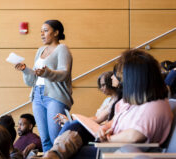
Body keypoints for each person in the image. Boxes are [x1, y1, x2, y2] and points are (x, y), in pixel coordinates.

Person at [36, 49, 173, 159]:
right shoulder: (133, 102)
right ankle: (53, 155)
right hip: (112, 145)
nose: (121, 81)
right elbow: (114, 121)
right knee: (76, 126)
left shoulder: (155, 106)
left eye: (122, 76)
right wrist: (104, 128)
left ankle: (52, 155)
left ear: (135, 79)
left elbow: (134, 136)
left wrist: (108, 139)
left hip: (121, 151)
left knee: (73, 151)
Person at [15, 20, 73, 152]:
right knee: (45, 140)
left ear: (56, 32)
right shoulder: (40, 50)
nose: (42, 34)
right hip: (37, 96)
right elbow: (33, 79)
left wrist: (46, 72)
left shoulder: (62, 49)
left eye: (45, 30)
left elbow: (64, 73)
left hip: (54, 97)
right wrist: (25, 69)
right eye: (41, 31)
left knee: (56, 138)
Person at [54, 71, 121, 125]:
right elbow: (95, 117)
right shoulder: (107, 100)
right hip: (96, 125)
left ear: (110, 83)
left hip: (101, 129)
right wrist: (73, 118)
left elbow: (97, 119)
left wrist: (71, 120)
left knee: (71, 128)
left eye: (103, 85)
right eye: (100, 85)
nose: (101, 88)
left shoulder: (117, 101)